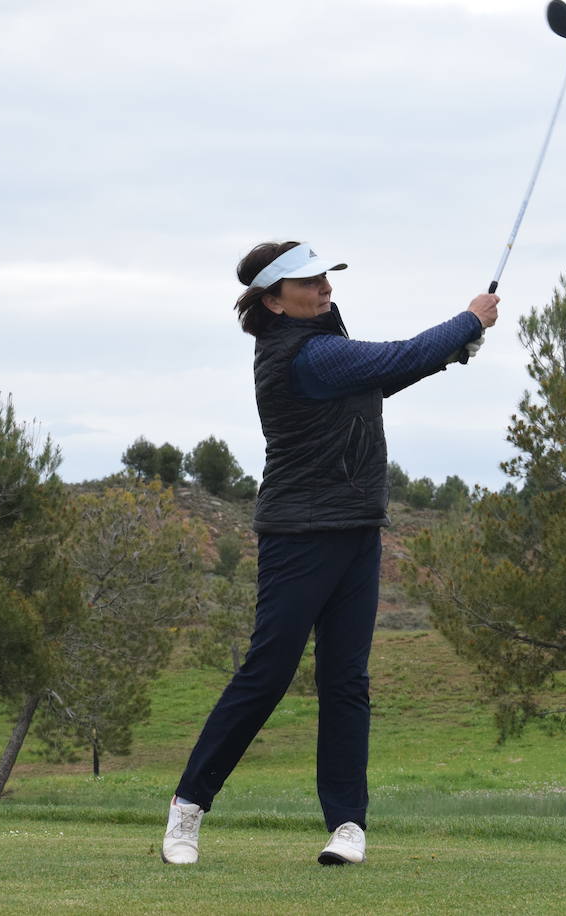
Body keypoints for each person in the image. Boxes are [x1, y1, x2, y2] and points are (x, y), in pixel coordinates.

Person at [162, 241, 498, 866]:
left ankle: (347, 826)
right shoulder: (305, 355)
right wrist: (468, 321)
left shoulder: (326, 349)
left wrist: (452, 351)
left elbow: (390, 373)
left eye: (325, 279)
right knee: (267, 674)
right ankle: (187, 809)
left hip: (356, 529)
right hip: (299, 533)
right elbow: (396, 356)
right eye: (308, 284)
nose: (324, 290)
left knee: (346, 680)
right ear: (274, 301)